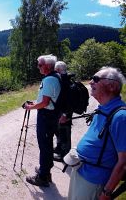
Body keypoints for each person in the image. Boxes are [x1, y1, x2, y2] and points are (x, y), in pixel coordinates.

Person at [68, 67, 126, 200]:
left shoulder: (121, 117)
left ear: (111, 86)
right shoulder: (103, 108)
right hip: (81, 171)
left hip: (94, 179)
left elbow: (123, 162)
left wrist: (106, 193)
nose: (90, 82)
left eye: (95, 79)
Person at [23, 54, 61, 187]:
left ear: (47, 66)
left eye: (40, 65)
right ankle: (46, 171)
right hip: (50, 116)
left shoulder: (50, 80)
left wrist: (30, 107)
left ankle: (43, 177)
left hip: (46, 116)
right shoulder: (54, 77)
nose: (38, 67)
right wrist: (35, 102)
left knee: (44, 146)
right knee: (47, 144)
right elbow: (47, 99)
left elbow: (45, 103)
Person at [53, 61, 73, 162]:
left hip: (65, 113)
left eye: (55, 70)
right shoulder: (64, 79)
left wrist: (65, 114)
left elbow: (69, 100)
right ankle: (59, 148)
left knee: (64, 132)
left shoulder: (65, 81)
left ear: (58, 70)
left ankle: (64, 156)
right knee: (59, 131)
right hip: (62, 111)